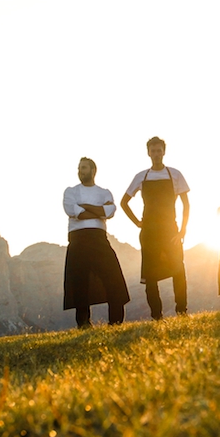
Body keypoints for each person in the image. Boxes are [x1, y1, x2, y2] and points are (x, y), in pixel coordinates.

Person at [121, 137, 189, 319]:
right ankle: (156, 316)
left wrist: (183, 230)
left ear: (164, 152)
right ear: (148, 153)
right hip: (149, 232)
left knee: (178, 270)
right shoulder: (141, 177)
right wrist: (137, 222)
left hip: (170, 230)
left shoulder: (175, 174)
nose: (156, 154)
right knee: (151, 276)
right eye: (153, 151)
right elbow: (124, 202)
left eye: (159, 151)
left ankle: (181, 311)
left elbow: (186, 205)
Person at [63, 157, 130, 328]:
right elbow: (72, 210)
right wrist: (99, 211)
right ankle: (84, 324)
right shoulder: (70, 191)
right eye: (79, 168)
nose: (80, 171)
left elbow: (110, 211)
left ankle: (115, 322)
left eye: (84, 168)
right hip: (78, 239)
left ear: (93, 170)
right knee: (79, 281)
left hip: (99, 238)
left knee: (113, 277)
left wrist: (85, 207)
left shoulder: (104, 192)